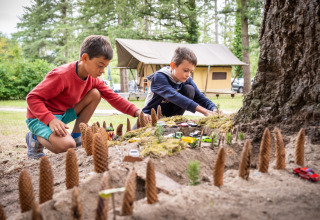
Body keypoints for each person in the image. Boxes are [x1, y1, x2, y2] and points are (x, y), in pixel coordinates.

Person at [26, 35, 150, 159]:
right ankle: (34, 136)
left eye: (105, 67)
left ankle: (77, 135)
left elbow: (114, 97)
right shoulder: (61, 75)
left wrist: (138, 112)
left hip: (62, 115)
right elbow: (32, 98)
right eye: (99, 65)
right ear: (85, 58)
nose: (102, 71)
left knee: (95, 94)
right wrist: (50, 119)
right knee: (68, 146)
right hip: (39, 118)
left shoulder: (93, 79)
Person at [142, 47, 220, 117]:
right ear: (173, 66)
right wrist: (205, 112)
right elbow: (175, 96)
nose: (188, 75)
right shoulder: (160, 77)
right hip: (149, 117)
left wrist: (213, 109)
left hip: (169, 118)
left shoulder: (187, 80)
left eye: (191, 72)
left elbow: (200, 97)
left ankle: (174, 119)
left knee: (189, 89)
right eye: (185, 71)